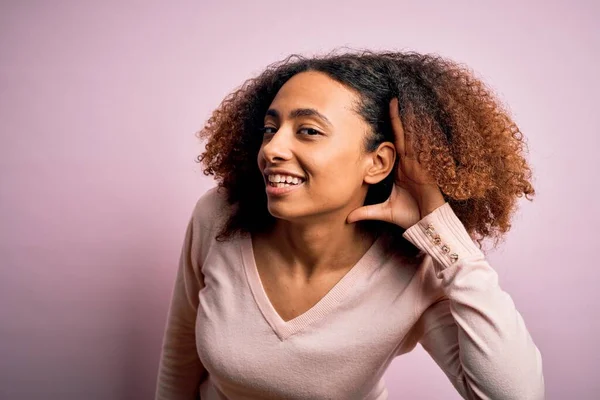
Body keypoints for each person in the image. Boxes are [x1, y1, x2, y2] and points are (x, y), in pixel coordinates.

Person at [155, 50, 545, 400]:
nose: (272, 149)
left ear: (377, 162)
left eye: (308, 131)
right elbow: (179, 360)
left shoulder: (414, 268)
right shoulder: (220, 216)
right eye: (270, 129)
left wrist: (446, 238)